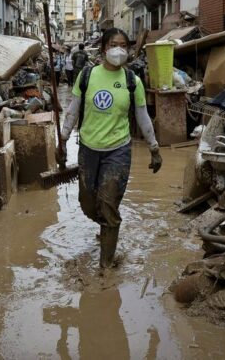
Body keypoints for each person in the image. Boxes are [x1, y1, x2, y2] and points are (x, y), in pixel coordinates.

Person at [59, 28, 162, 269]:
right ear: (104, 48)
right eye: (114, 44)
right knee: (87, 202)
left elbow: (142, 116)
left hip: (118, 150)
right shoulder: (86, 76)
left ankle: (105, 267)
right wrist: (62, 139)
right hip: (88, 148)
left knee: (107, 202)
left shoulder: (131, 81)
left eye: (124, 45)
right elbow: (73, 110)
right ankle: (107, 224)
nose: (119, 49)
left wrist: (154, 148)